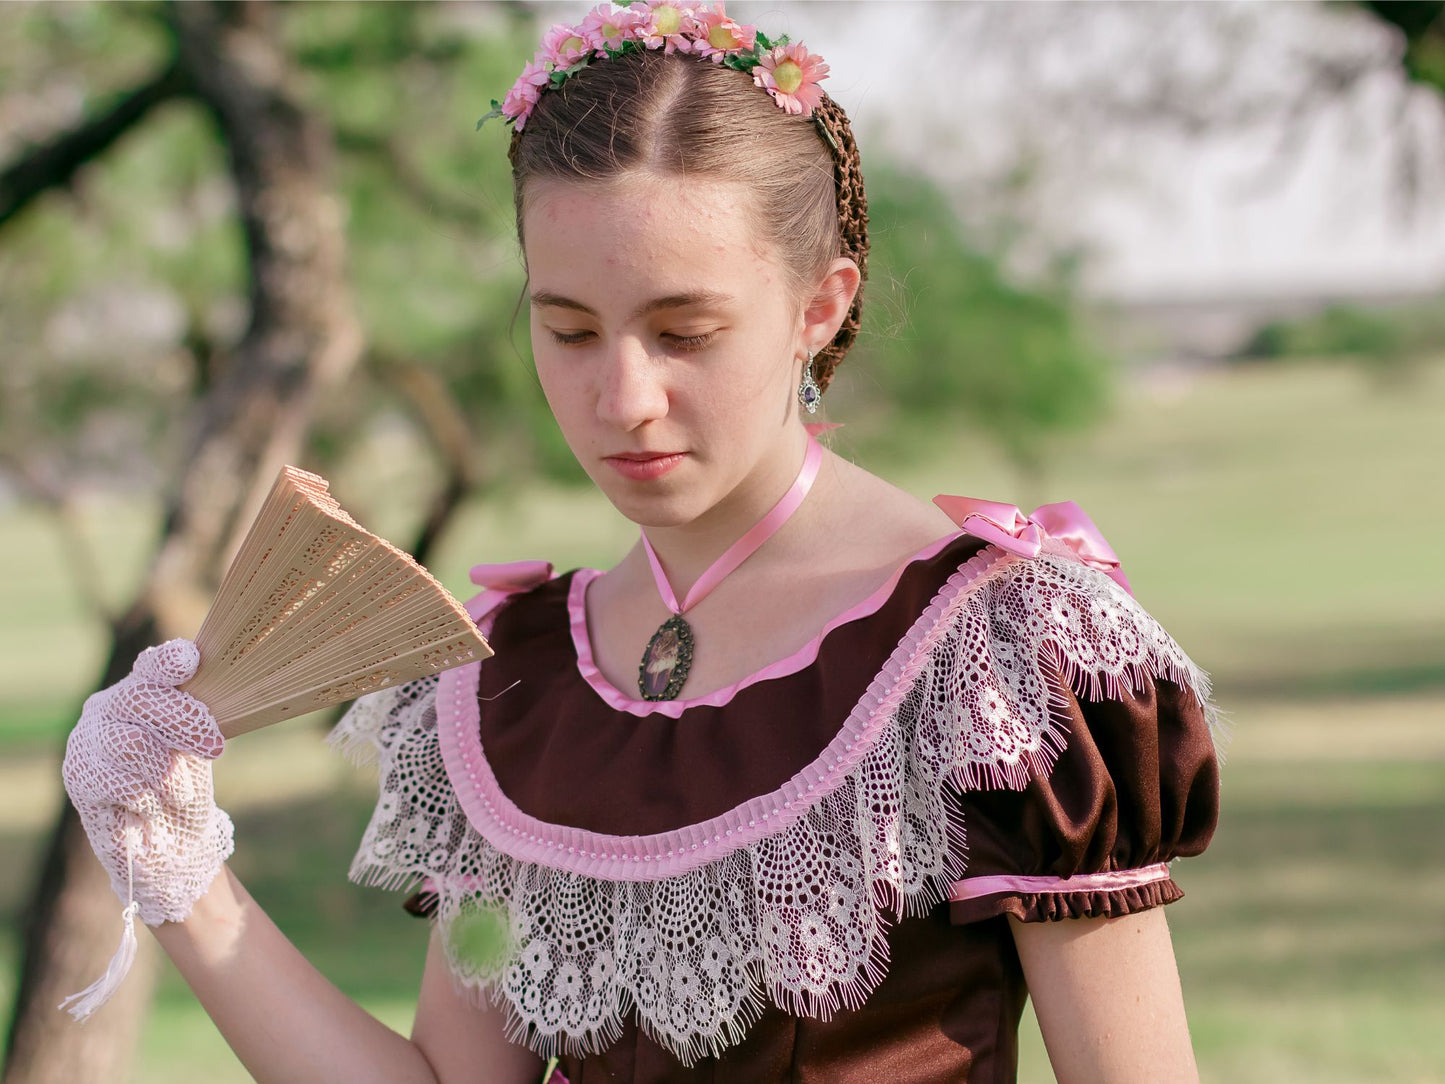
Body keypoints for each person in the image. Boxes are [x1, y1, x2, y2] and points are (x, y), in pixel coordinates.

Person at [60, 4, 1226, 1081]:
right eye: (568, 330)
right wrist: (172, 859)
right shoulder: (510, 680)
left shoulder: (1000, 652)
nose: (621, 397)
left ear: (818, 308)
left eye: (684, 330)